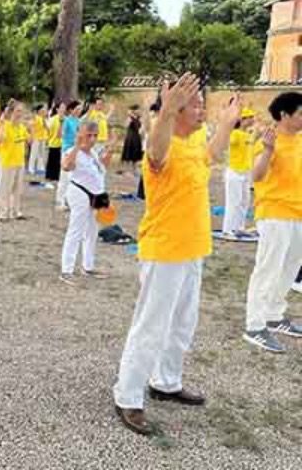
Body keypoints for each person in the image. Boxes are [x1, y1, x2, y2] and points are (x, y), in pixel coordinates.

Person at [113, 74, 240, 437]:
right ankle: (128, 396)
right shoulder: (163, 144)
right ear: (177, 111)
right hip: (165, 248)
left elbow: (211, 154)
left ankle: (166, 381)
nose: (203, 109)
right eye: (196, 104)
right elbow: (154, 152)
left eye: (202, 103)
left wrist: (228, 125)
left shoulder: (194, 140)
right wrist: (165, 111)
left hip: (193, 248)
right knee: (150, 326)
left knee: (183, 323)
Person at [242, 92, 302, 353]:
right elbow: (256, 175)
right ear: (285, 115)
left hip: (298, 213)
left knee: (290, 267)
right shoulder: (268, 140)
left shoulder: (300, 140)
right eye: (300, 114)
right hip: (275, 212)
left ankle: (274, 315)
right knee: (268, 267)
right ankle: (255, 325)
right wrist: (267, 150)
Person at [59, 120, 112, 285]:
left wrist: (110, 149)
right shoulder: (71, 151)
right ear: (80, 134)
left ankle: (87, 266)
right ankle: (67, 270)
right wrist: (76, 145)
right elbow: (67, 166)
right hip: (80, 193)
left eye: (95, 135)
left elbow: (102, 170)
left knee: (92, 231)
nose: (92, 139)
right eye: (88, 135)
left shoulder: (93, 153)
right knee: (76, 231)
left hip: (97, 194)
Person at [221, 108, 256, 238]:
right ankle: (228, 230)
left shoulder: (248, 134)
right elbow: (227, 142)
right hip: (234, 172)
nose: (253, 119)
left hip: (246, 173)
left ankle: (239, 227)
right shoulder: (235, 134)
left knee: (244, 201)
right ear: (242, 120)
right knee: (233, 202)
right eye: (250, 117)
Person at [0, 101, 30, 221]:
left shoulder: (22, 127)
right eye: (18, 111)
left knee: (17, 189)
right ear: (12, 112)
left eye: (21, 111)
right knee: (4, 189)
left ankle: (16, 211)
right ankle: (1, 213)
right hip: (8, 162)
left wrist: (31, 128)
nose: (20, 113)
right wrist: (2, 125)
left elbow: (29, 141)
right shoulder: (5, 125)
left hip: (20, 162)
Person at [56, 101, 82, 210]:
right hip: (67, 150)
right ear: (71, 110)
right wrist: (61, 122)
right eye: (77, 108)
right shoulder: (67, 120)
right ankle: (60, 201)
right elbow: (59, 135)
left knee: (73, 178)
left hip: (76, 150)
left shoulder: (79, 121)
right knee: (65, 177)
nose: (79, 111)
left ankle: (69, 201)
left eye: (80, 109)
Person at [44, 103, 65, 191]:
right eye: (62, 108)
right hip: (53, 144)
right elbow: (49, 131)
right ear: (57, 109)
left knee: (59, 164)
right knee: (51, 164)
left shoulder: (65, 119)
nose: (63, 109)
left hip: (62, 145)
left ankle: (57, 180)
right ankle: (48, 181)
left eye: (64, 108)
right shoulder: (52, 119)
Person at [121, 104, 144, 173]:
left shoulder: (139, 117)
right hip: (130, 137)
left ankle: (135, 168)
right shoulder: (130, 117)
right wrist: (130, 116)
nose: (139, 111)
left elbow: (141, 126)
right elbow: (125, 125)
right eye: (137, 109)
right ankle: (128, 169)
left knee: (136, 152)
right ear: (134, 110)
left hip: (137, 137)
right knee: (129, 151)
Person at [27, 104, 48, 176]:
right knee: (34, 153)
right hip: (36, 138)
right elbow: (30, 125)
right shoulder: (35, 117)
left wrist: (44, 119)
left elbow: (46, 128)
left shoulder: (43, 118)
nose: (44, 111)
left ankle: (40, 167)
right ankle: (31, 168)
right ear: (39, 111)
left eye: (44, 110)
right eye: (42, 110)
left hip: (43, 138)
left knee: (41, 154)